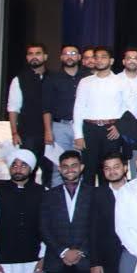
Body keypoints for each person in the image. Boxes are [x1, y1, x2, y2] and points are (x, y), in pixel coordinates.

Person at [73, 46, 126, 184]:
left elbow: (127, 109)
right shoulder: (85, 82)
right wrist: (78, 135)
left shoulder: (121, 81)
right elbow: (78, 109)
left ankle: (107, 202)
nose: (100, 60)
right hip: (90, 129)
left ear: (112, 60)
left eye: (104, 57)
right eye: (97, 57)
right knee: (88, 170)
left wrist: (119, 127)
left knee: (109, 171)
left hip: (111, 130)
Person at [41, 44, 90, 184]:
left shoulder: (87, 78)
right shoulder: (52, 78)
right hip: (59, 127)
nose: (70, 56)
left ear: (79, 57)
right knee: (59, 165)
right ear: (61, 57)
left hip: (81, 128)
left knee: (80, 166)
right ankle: (58, 201)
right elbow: (46, 108)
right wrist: (48, 131)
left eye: (73, 53)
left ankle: (77, 201)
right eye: (66, 53)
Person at [7, 43, 48, 167]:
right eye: (30, 54)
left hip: (52, 132)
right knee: (29, 167)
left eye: (38, 53)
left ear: (45, 57)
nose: (34, 57)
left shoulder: (54, 78)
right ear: (26, 58)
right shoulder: (19, 79)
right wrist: (14, 133)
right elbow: (13, 108)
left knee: (50, 170)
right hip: (28, 133)